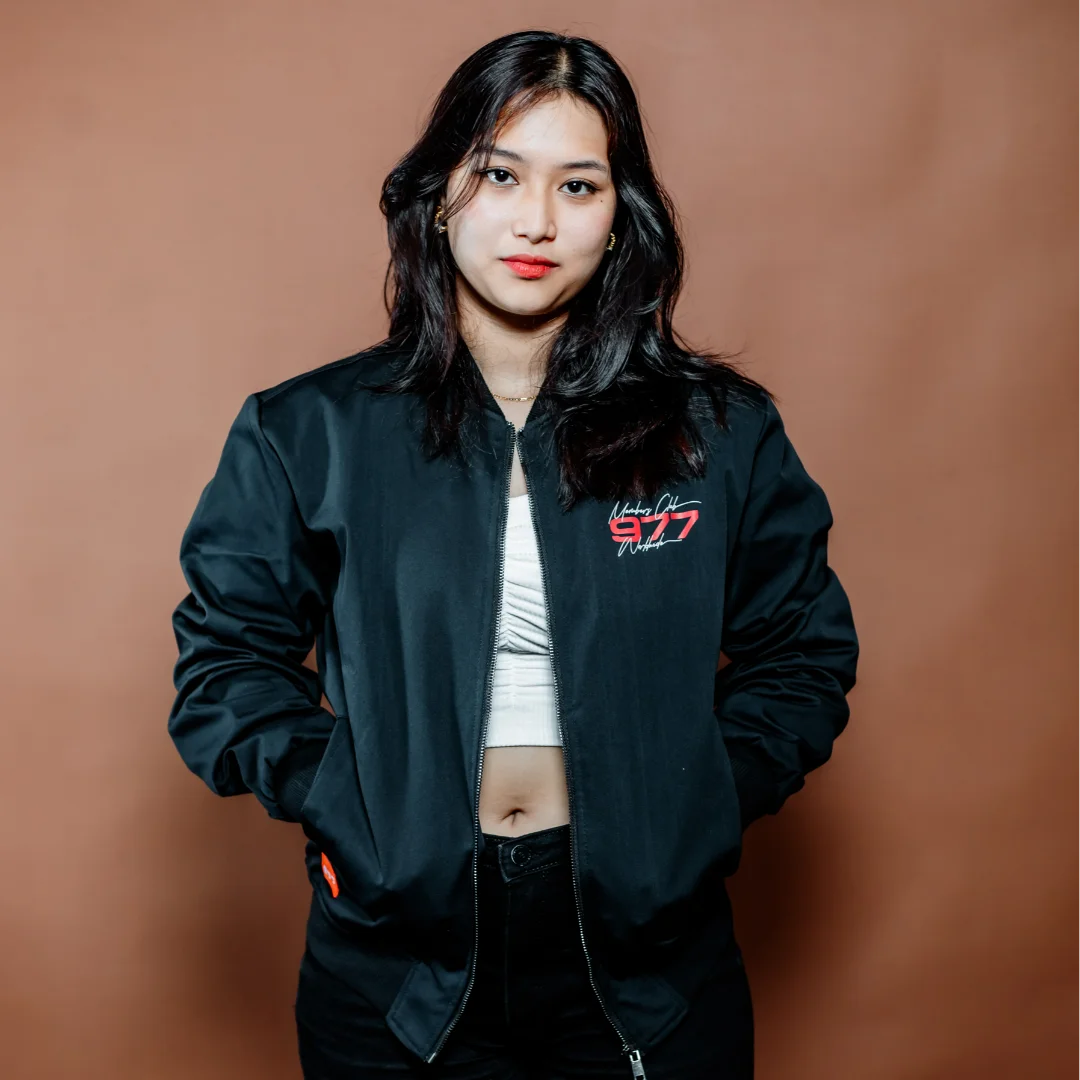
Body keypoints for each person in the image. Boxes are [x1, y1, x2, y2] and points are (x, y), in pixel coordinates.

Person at [167, 28, 859, 1080]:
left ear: (620, 219)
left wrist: (696, 804)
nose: (536, 220)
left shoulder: (720, 434)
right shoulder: (309, 431)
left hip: (652, 965)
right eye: (500, 174)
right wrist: (351, 802)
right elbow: (224, 668)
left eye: (578, 186)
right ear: (440, 194)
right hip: (394, 970)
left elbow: (802, 653)